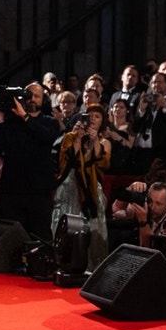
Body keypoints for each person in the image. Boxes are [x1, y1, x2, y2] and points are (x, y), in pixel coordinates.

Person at [0, 82, 62, 240]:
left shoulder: (49, 122)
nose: (32, 99)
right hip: (12, 190)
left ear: (43, 100)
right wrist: (0, 120)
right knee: (12, 237)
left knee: (41, 235)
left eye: (37, 96)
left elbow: (45, 137)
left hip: (39, 191)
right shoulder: (10, 123)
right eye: (29, 95)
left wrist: (24, 116)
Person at [52, 103, 111, 270]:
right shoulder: (71, 137)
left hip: (90, 191)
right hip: (70, 186)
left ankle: (91, 268)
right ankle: (61, 263)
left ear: (103, 122)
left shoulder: (104, 142)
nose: (92, 119)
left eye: (97, 116)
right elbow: (68, 161)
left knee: (91, 231)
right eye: (89, 115)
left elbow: (103, 164)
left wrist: (95, 142)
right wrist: (77, 138)